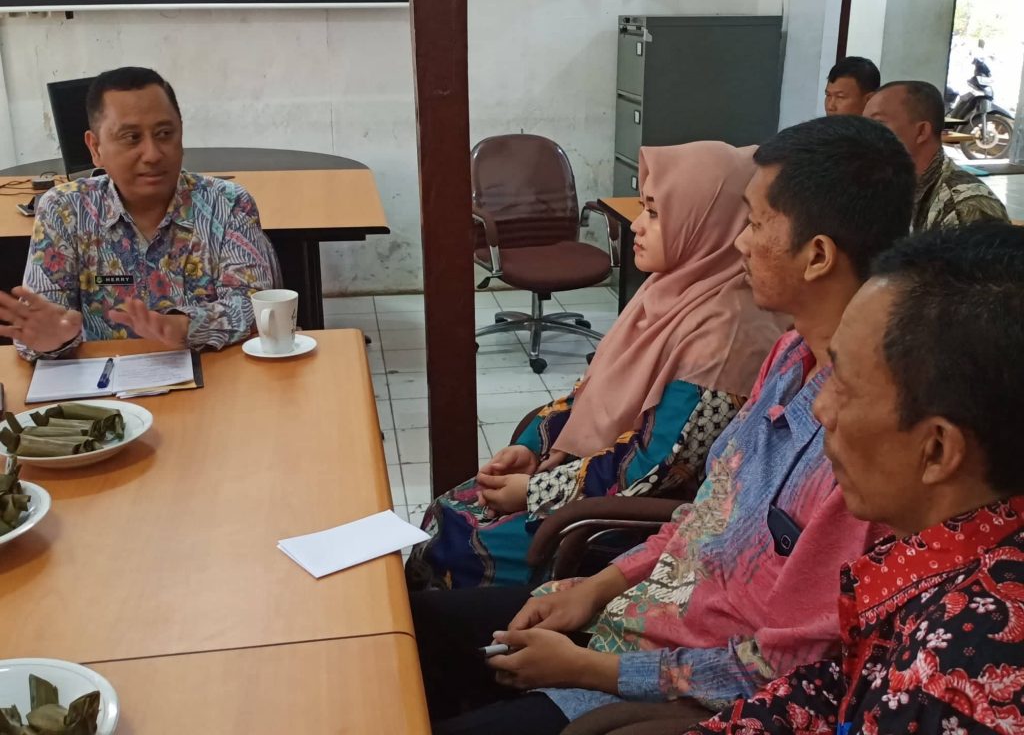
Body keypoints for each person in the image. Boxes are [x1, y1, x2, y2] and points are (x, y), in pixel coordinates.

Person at [410, 115, 917, 735]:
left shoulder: (861, 445)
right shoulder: (788, 358)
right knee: (416, 633)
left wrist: (591, 669)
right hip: (641, 613)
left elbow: (784, 668)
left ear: (817, 255)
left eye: (757, 224)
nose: (740, 242)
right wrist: (596, 587)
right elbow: (705, 514)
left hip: (672, 682)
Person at [678, 223, 1024, 735]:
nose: (820, 408)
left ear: (936, 450)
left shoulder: (949, 686)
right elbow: (841, 686)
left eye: (843, 383)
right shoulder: (935, 555)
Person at [407, 141, 789, 590]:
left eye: (655, 213)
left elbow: (656, 471)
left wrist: (533, 491)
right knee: (442, 512)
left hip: (619, 525)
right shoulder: (668, 293)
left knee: (449, 543)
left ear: (707, 223)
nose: (637, 225)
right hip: (586, 486)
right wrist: (532, 448)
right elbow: (591, 394)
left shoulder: (726, 337)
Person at [0, 66, 277, 359]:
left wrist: (185, 327)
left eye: (164, 134)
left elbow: (255, 306)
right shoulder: (64, 210)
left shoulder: (227, 203)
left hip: (213, 376)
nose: (153, 154)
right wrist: (51, 339)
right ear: (95, 148)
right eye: (132, 137)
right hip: (101, 383)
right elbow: (35, 327)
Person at [864, 80, 1009, 232]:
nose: (865, 133)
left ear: (921, 132)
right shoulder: (885, 183)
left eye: (878, 123)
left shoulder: (965, 207)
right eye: (864, 123)